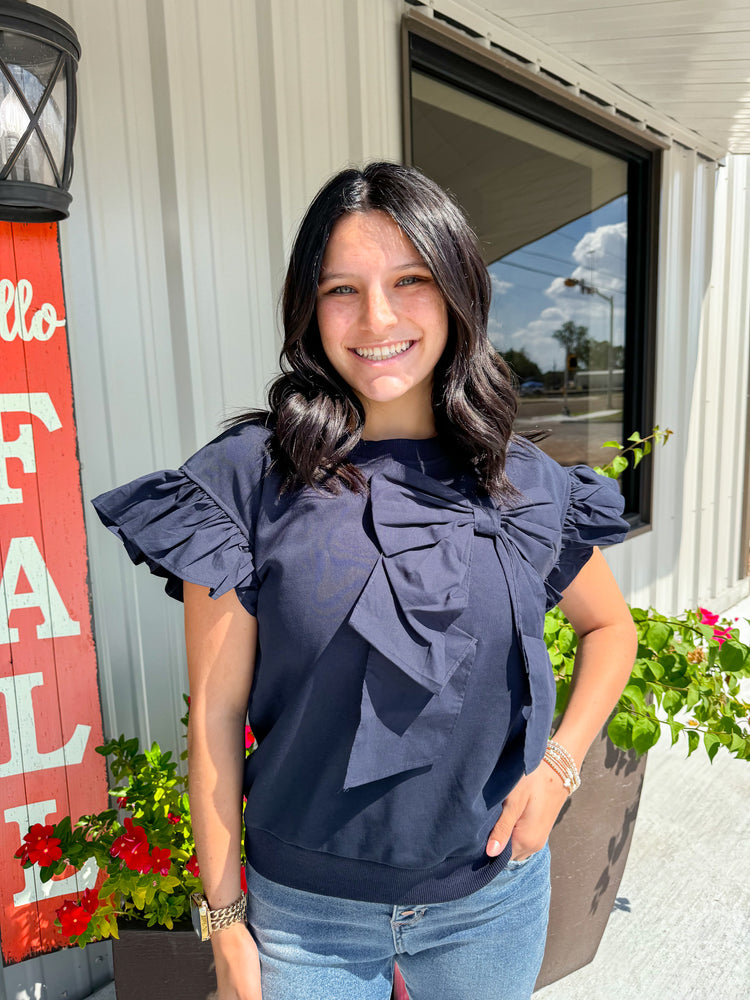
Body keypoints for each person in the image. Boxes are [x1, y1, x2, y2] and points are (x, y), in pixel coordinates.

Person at [92, 161, 637, 1000]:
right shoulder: (247, 479)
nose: (376, 318)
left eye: (410, 280)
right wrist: (226, 921)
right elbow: (215, 716)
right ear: (310, 309)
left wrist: (559, 768)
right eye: (342, 289)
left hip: (490, 899)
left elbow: (611, 630)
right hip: (304, 922)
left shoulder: (521, 480)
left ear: (458, 290)